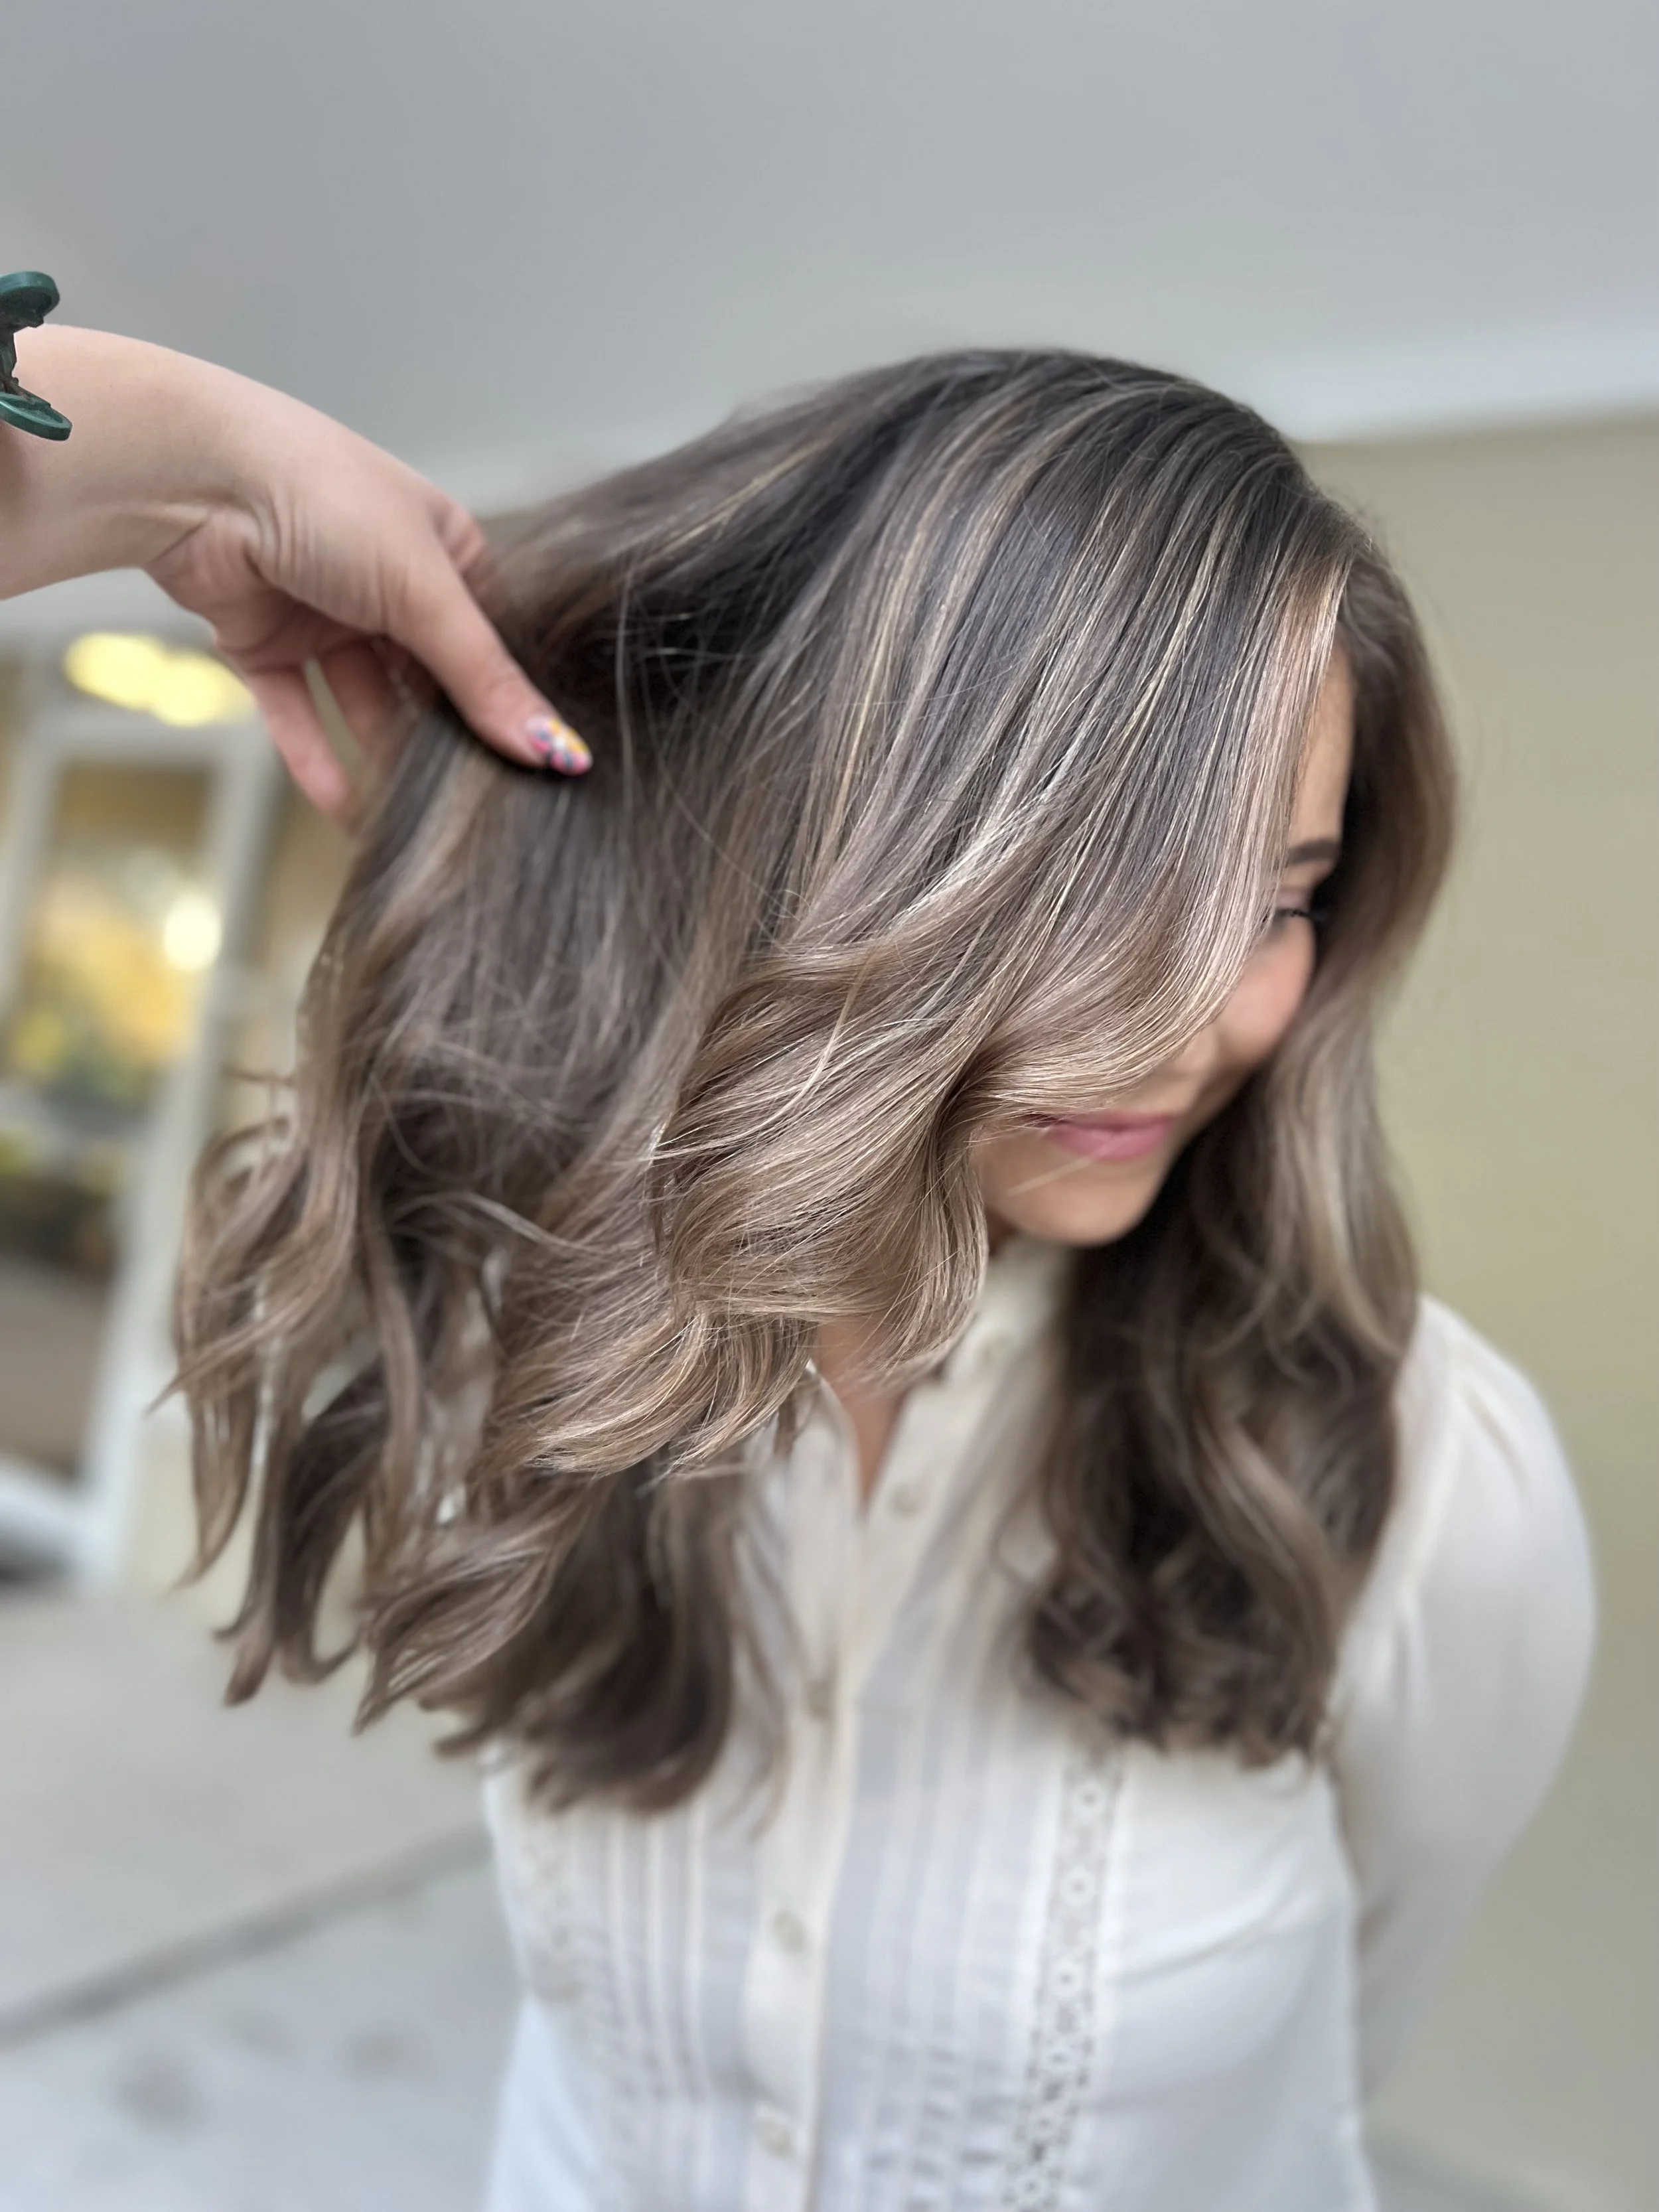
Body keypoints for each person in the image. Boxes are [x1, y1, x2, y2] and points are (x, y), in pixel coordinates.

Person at [6, 336, 1595, 2211]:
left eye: (1281, 897)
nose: (1205, 1021)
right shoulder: (573, 1332)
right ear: (848, 866)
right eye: (1095, 898)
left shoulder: (1420, 1472)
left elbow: (1332, 2060)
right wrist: (179, 449)